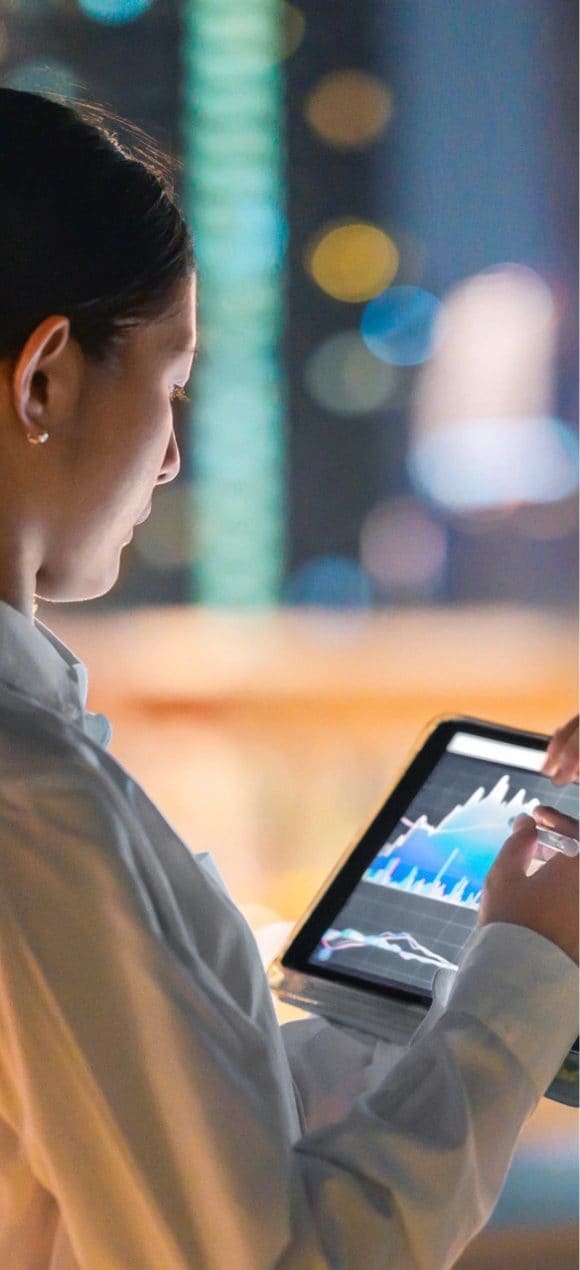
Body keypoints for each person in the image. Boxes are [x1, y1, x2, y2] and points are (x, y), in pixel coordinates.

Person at [0, 86, 577, 1270]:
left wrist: (421, 994)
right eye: (171, 385)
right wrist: (528, 965)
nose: (168, 456)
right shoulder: (32, 804)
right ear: (44, 378)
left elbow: (163, 1136)